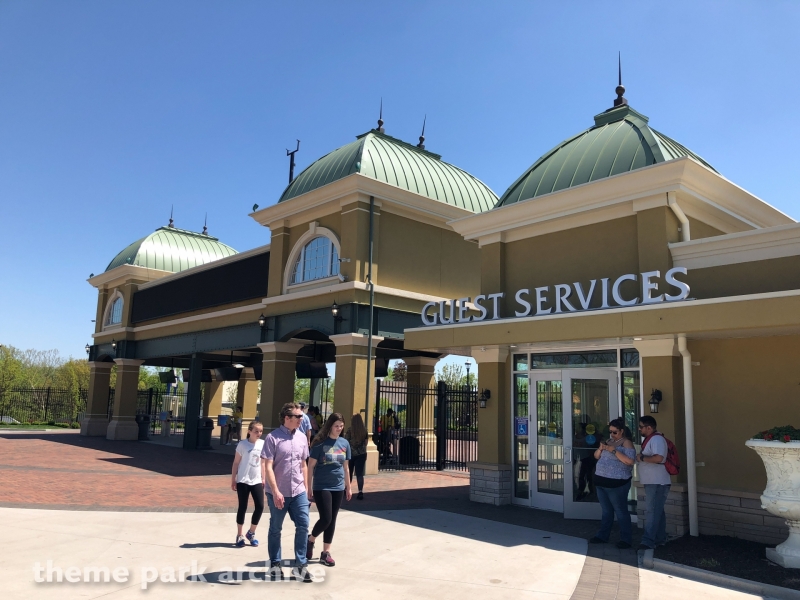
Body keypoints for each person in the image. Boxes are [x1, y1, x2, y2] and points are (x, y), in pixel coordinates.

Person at [261, 402, 312, 581]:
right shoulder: (272, 438)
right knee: (275, 528)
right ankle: (275, 564)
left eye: (302, 416)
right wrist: (275, 491)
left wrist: (306, 489)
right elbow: (267, 466)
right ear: (287, 418)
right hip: (278, 491)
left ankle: (301, 565)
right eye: (298, 416)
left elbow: (303, 464)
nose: (301, 419)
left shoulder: (302, 437)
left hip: (299, 491)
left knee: (303, 526)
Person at [307, 412, 352, 566]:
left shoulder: (344, 443)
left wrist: (349, 487)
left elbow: (346, 468)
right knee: (326, 518)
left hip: (338, 486)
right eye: (336, 426)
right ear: (330, 426)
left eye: (341, 426)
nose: (339, 428)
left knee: (332, 520)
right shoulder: (320, 444)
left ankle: (326, 553)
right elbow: (311, 466)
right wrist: (309, 487)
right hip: (322, 486)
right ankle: (311, 539)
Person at [588, 418, 636, 549]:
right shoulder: (609, 441)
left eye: (615, 432)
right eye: (610, 432)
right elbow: (597, 456)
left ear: (622, 431)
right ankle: (602, 536)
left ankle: (626, 539)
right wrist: (601, 448)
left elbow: (630, 461)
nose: (612, 435)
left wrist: (614, 450)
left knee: (620, 511)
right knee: (606, 511)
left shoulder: (626, 443)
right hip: (601, 481)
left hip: (617, 484)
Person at [636, 415, 671, 550]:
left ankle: (648, 541)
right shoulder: (652, 439)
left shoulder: (657, 439)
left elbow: (659, 458)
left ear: (649, 427)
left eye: (641, 426)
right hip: (653, 481)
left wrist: (642, 457)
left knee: (652, 511)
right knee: (658, 511)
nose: (639, 429)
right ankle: (659, 539)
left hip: (658, 482)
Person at [230, 421, 265, 547]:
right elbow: (236, 463)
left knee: (260, 506)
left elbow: (263, 463)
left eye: (261, 431)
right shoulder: (242, 444)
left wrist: (263, 478)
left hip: (256, 480)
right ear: (249, 431)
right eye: (256, 431)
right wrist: (233, 479)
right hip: (243, 481)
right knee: (243, 507)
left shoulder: (262, 444)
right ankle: (239, 535)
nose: (259, 434)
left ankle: (251, 532)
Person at [344, 413, 367, 500]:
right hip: (361, 454)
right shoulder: (364, 430)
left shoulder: (350, 430)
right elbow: (366, 443)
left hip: (351, 454)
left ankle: (347, 489)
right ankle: (360, 491)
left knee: (349, 472)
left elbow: (346, 442)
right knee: (359, 474)